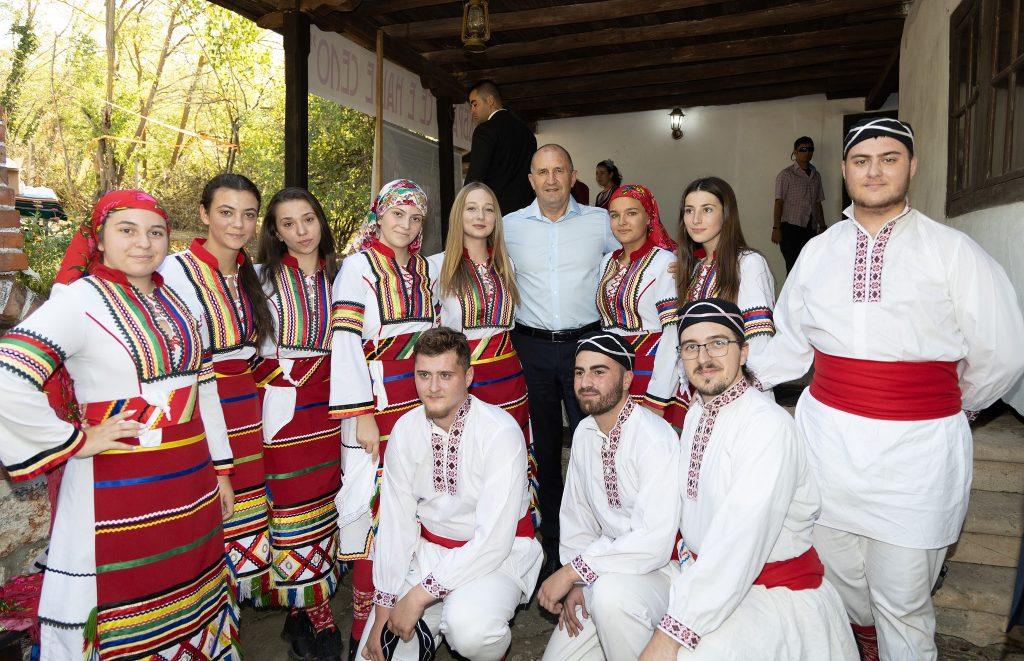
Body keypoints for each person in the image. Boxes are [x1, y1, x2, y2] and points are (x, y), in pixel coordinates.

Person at [747, 117, 1024, 660]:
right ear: (844, 170)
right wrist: (734, 381)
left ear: (912, 167)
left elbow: (1003, 352)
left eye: (889, 159)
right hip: (828, 446)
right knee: (839, 580)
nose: (874, 171)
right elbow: (789, 345)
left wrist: (952, 404)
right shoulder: (818, 251)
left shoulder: (951, 250)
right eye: (861, 161)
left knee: (902, 598)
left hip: (916, 456)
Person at [0, 190, 239, 659]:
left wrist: (222, 471)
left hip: (190, 480)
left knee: (190, 587)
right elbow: (8, 374)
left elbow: (204, 388)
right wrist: (76, 440)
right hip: (118, 482)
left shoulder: (177, 301)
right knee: (122, 596)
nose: (143, 243)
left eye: (155, 232)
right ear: (99, 238)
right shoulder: (79, 301)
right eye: (126, 230)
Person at [639, 298, 858, 661]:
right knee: (616, 599)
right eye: (691, 347)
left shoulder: (766, 426)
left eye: (717, 343)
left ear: (743, 352)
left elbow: (739, 540)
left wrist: (672, 631)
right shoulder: (697, 413)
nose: (703, 357)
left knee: (689, 654)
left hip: (773, 593)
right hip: (707, 578)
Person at [358, 327, 543, 661]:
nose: (432, 387)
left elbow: (493, 542)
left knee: (469, 630)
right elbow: (396, 524)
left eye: (445, 375)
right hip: (429, 555)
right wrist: (384, 608)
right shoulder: (405, 429)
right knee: (374, 654)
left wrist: (418, 597)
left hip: (496, 560)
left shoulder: (499, 431)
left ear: (468, 376)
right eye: (424, 375)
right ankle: (431, 624)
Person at [329, 179, 439, 654]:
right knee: (373, 516)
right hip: (376, 404)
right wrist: (361, 415)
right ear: (378, 216)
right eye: (397, 214)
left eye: (415, 219)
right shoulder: (357, 266)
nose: (406, 225)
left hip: (420, 402)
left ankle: (406, 616)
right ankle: (364, 631)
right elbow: (346, 343)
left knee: (414, 505)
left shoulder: (422, 269)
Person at [160, 173, 276, 605]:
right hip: (199, 409)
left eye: (248, 214)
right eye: (226, 212)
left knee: (245, 517)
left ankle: (229, 618)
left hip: (246, 410)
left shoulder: (252, 275)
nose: (238, 224)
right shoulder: (172, 271)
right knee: (205, 516)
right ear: (204, 214)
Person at [503, 144, 617, 579]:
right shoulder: (509, 226)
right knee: (545, 450)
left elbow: (636, 254)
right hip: (530, 348)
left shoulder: (600, 222)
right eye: (542, 172)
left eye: (559, 171)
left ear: (573, 176)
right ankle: (553, 545)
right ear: (531, 180)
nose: (551, 179)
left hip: (587, 348)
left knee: (594, 444)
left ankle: (600, 544)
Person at [539, 332, 681, 660]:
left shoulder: (653, 438)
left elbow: (654, 542)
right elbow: (577, 516)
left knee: (610, 596)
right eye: (579, 372)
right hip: (600, 570)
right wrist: (578, 583)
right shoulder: (585, 432)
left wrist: (574, 572)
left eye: (599, 372)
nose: (586, 382)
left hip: (661, 572)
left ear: (627, 379)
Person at [255, 188, 343, 659]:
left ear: (320, 221)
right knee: (293, 508)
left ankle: (301, 610)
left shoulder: (343, 275)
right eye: (288, 224)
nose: (301, 231)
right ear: (275, 232)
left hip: (334, 404)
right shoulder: (260, 280)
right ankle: (318, 614)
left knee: (329, 503)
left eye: (308, 219)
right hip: (285, 409)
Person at [428, 181, 539, 524]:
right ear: (458, 215)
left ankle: (515, 534)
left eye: (489, 209)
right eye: (472, 208)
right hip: (464, 382)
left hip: (509, 379)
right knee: (469, 459)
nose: (481, 216)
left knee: (510, 456)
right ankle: (467, 536)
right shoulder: (436, 267)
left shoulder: (506, 266)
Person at [672, 176, 775, 426]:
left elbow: (758, 342)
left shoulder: (748, 264)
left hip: (741, 397)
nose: (696, 219)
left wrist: (738, 395)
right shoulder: (695, 269)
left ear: (726, 214)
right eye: (689, 210)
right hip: (703, 391)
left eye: (707, 210)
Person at [596, 184, 680, 415]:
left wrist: (658, 394)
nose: (622, 222)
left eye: (631, 213)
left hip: (652, 372)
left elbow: (672, 331)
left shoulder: (665, 262)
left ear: (649, 217)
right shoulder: (607, 262)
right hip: (613, 370)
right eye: (615, 215)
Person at [466, 80, 537, 216]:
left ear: (490, 100)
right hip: (527, 212)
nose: (472, 111)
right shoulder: (527, 133)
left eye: (475, 104)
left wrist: (466, 210)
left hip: (496, 212)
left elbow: (475, 177)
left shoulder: (485, 130)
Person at [772, 136, 825, 273]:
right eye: (803, 149)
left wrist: (822, 226)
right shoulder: (786, 175)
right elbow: (779, 202)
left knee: (809, 269)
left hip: (810, 229)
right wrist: (776, 228)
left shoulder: (816, 176)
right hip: (790, 229)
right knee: (793, 269)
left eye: (810, 149)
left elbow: (818, 202)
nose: (807, 152)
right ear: (795, 152)